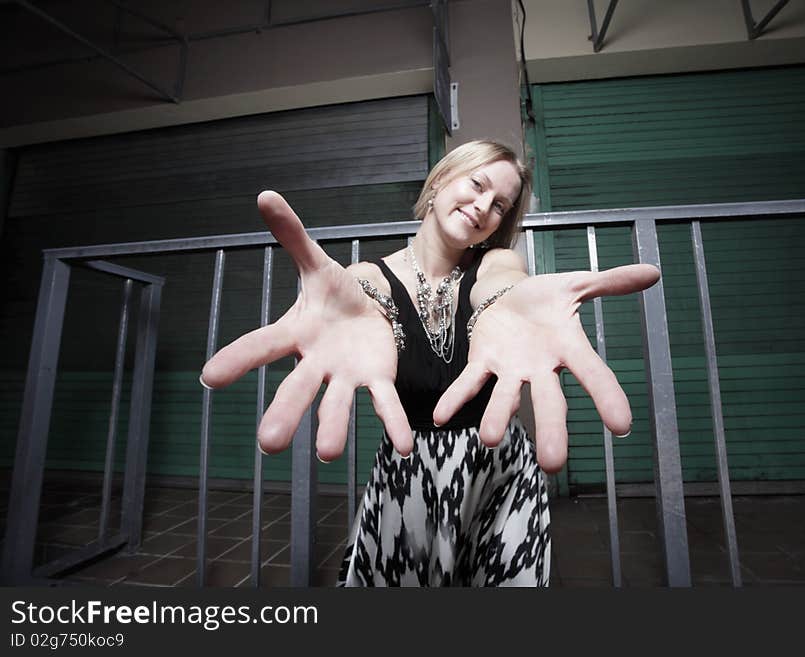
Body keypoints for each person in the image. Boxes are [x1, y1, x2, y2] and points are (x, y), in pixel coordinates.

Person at [200, 140, 660, 586]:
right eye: (477, 184)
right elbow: (363, 295)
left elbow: (501, 284)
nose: (484, 206)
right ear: (439, 181)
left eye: (500, 205)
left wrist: (509, 300)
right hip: (409, 469)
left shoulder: (497, 261)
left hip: (500, 469)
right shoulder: (366, 278)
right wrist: (353, 311)